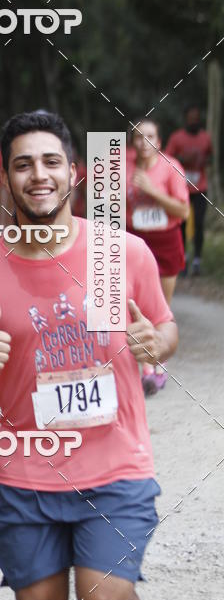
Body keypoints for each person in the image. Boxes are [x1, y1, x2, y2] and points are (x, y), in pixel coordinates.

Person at [0, 110, 178, 600]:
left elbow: (165, 330)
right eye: (23, 164)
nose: (38, 175)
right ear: (5, 181)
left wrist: (155, 342)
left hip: (114, 466)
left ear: (72, 173)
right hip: (25, 475)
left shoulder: (117, 255)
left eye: (50, 162)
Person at [126, 118, 189, 395]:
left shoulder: (171, 167)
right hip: (133, 240)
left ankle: (159, 364)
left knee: (160, 307)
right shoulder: (122, 166)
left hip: (164, 240)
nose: (144, 142)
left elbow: (183, 212)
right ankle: (146, 369)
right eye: (138, 137)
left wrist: (151, 191)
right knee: (132, 306)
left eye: (149, 136)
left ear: (159, 141)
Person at [165, 105, 212, 276]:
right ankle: (182, 260)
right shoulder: (177, 138)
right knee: (181, 225)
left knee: (199, 223)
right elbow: (167, 159)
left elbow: (210, 156)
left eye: (196, 118)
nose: (194, 121)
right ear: (186, 119)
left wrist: (205, 162)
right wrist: (182, 159)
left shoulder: (205, 138)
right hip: (181, 188)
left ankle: (198, 260)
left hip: (200, 188)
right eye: (191, 118)